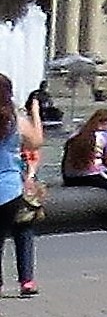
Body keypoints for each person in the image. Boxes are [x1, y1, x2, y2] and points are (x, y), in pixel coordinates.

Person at [0, 76, 40, 297]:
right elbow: (35, 142)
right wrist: (34, 110)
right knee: (23, 229)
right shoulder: (16, 121)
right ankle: (26, 280)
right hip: (11, 186)